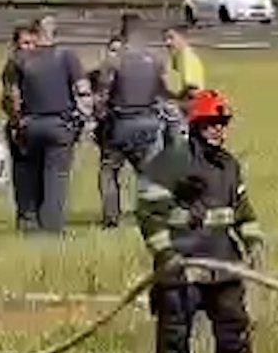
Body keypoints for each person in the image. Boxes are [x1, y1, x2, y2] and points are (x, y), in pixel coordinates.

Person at [135, 89, 268, 353]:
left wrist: (253, 241)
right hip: (182, 265)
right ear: (196, 125)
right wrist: (165, 254)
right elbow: (148, 213)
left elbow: (242, 210)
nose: (219, 130)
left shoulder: (229, 166)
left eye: (222, 123)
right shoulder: (170, 163)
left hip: (223, 263)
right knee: (175, 333)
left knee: (233, 326)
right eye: (211, 123)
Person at [11, 27, 89, 233]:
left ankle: (29, 221)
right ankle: (52, 226)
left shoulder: (19, 60)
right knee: (56, 176)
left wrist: (17, 122)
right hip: (60, 124)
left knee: (29, 173)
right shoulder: (67, 56)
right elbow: (83, 90)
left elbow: (13, 97)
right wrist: (81, 121)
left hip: (31, 124)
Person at [96, 24, 170, 228]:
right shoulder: (156, 60)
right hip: (149, 122)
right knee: (148, 172)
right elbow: (163, 93)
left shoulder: (114, 62)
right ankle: (154, 213)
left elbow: (102, 96)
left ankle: (111, 217)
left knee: (108, 171)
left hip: (121, 124)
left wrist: (99, 119)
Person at [1, 24, 41, 229]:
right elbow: (11, 96)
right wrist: (17, 123)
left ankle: (40, 215)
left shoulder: (43, 65)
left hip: (40, 123)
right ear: (16, 44)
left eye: (34, 43)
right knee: (24, 173)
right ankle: (27, 217)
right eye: (26, 43)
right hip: (22, 123)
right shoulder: (14, 66)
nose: (30, 47)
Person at [162, 26, 206, 147]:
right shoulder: (179, 56)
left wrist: (177, 102)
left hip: (192, 108)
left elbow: (193, 88)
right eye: (165, 39)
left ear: (183, 37)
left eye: (171, 38)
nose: (167, 43)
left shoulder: (186, 56)